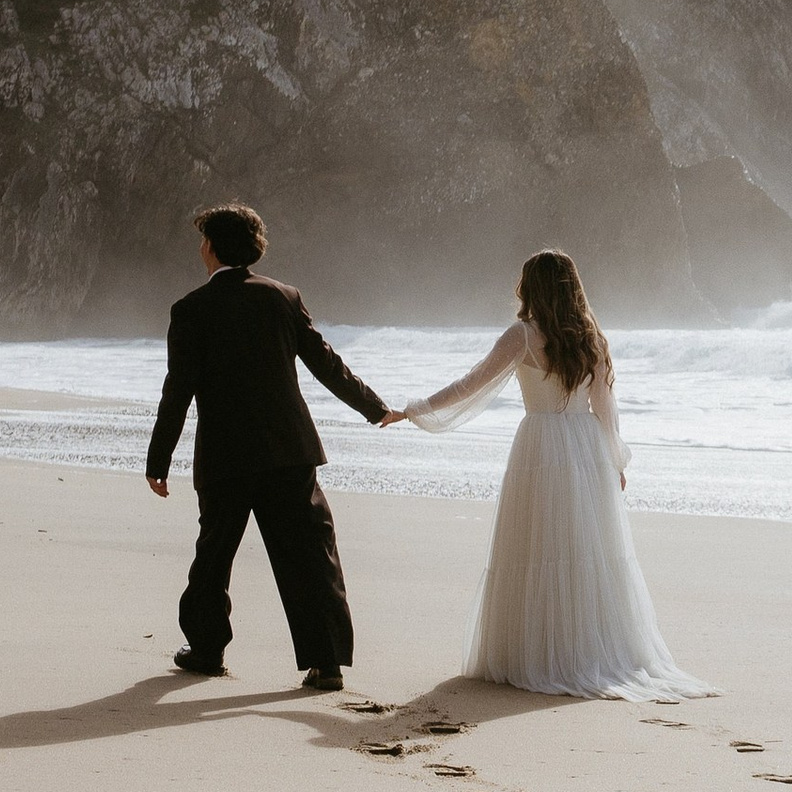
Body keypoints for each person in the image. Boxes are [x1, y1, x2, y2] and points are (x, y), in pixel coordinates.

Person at [404, 250, 707, 703]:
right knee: (583, 554)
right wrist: (615, 462)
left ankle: (541, 654)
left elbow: (473, 383)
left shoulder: (523, 335)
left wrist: (415, 410)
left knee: (538, 548)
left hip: (541, 445)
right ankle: (583, 650)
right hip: (585, 449)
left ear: (531, 287)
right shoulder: (592, 339)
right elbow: (606, 412)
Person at [145, 203, 402, 692]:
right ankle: (325, 664)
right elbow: (328, 364)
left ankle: (205, 651)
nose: (200, 248)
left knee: (214, 554)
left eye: (203, 240)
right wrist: (374, 408)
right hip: (288, 451)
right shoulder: (283, 297)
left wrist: (159, 461)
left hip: (224, 456)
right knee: (309, 554)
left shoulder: (190, 309)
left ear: (214, 247)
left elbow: (176, 391)